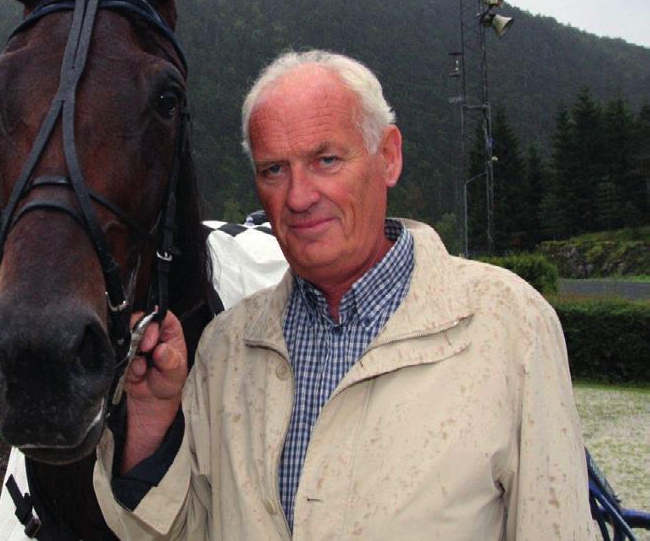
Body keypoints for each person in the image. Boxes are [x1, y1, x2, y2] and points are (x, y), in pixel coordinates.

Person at [92, 50, 596, 540]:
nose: (298, 197)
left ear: (389, 157)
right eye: (274, 170)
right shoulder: (226, 347)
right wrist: (153, 421)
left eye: (326, 159)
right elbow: (180, 530)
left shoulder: (509, 325)